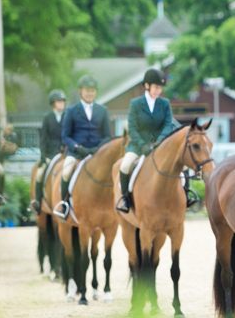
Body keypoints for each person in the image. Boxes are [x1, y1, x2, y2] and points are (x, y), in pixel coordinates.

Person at [116, 68, 176, 213]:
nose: (158, 90)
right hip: (138, 146)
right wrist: (143, 145)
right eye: (156, 87)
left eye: (160, 88)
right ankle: (125, 199)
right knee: (125, 166)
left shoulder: (165, 103)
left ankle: (186, 194)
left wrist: (160, 141)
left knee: (181, 165)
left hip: (160, 146)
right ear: (147, 86)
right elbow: (132, 128)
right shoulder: (135, 104)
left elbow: (168, 124)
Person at [53, 76, 111, 219]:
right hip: (77, 153)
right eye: (87, 91)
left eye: (92, 91)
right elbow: (65, 136)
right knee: (66, 171)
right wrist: (78, 147)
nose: (90, 93)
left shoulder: (102, 110)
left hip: (97, 153)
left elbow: (107, 136)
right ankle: (64, 204)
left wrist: (99, 148)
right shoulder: (72, 111)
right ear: (81, 92)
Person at [30, 89, 66, 213]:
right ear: (53, 103)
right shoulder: (47, 118)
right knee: (40, 174)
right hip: (50, 154)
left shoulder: (67, 116)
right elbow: (43, 139)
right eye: (59, 101)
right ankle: (38, 202)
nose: (62, 104)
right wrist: (43, 156)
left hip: (66, 153)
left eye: (62, 101)